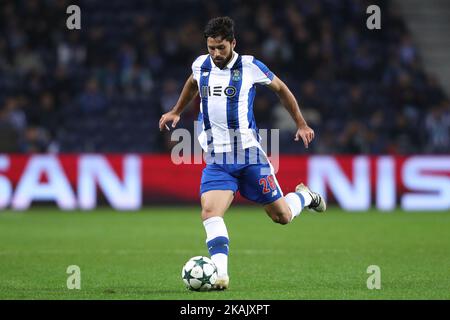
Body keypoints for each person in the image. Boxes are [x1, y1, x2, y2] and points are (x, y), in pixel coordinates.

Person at [159, 16, 326, 290]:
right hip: (217, 159)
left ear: (232, 43)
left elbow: (281, 89)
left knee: (281, 216)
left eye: (221, 48)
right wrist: (177, 111)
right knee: (210, 213)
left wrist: (301, 123)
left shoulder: (249, 66)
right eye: (211, 47)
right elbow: (192, 83)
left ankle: (304, 196)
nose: (215, 54)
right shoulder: (201, 65)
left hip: (249, 156)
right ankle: (221, 276)